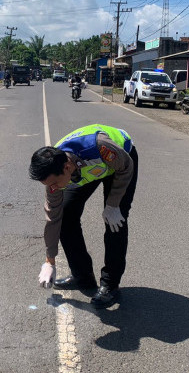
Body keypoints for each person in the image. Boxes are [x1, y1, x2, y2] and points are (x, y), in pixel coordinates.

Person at [29, 124, 138, 308]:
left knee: (115, 221)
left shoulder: (100, 147)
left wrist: (112, 205)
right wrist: (50, 261)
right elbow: (53, 218)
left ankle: (110, 284)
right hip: (87, 170)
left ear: (67, 167)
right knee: (65, 215)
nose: (52, 189)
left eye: (54, 183)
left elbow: (126, 167)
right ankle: (82, 276)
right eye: (49, 185)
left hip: (120, 163)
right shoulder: (54, 175)